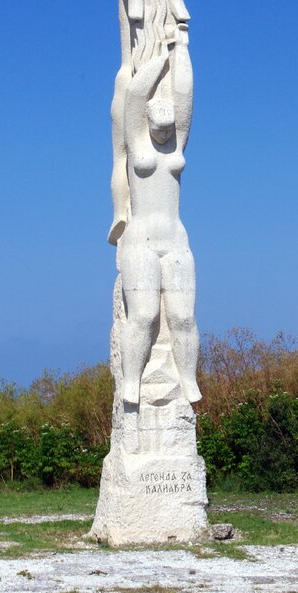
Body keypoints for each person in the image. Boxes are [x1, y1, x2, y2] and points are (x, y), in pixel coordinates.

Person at [117, 25, 200, 406]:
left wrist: (181, 49)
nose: (165, 134)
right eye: (159, 129)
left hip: (176, 240)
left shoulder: (176, 145)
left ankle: (187, 379)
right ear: (149, 123)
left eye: (169, 130)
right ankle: (131, 381)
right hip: (141, 242)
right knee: (146, 316)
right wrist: (161, 57)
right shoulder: (137, 145)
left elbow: (184, 97)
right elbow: (134, 97)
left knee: (183, 318)